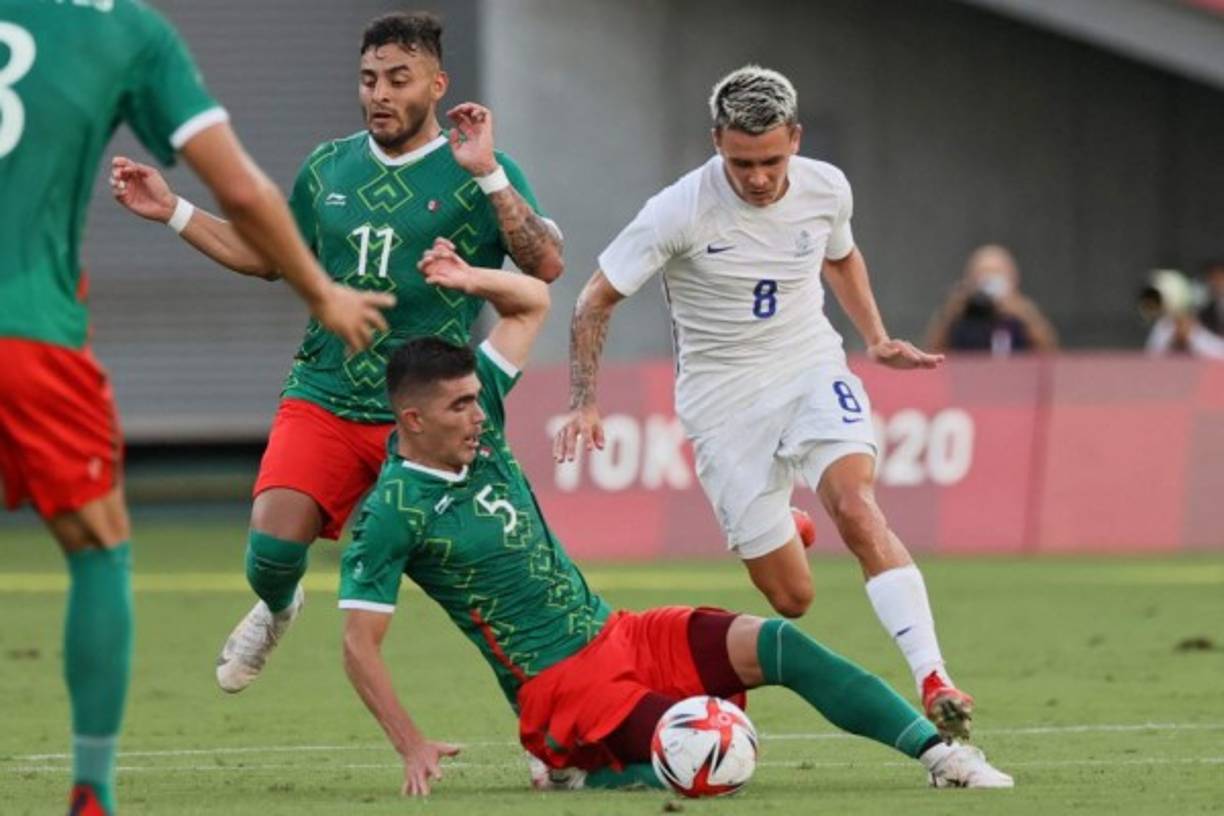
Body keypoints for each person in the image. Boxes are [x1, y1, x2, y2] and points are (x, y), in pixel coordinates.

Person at [338, 238, 1013, 797]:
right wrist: (411, 743)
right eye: (459, 408)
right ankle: (572, 767)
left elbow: (533, 300)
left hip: (619, 633)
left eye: (474, 401)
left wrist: (468, 277)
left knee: (780, 644)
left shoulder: (478, 420)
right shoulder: (393, 513)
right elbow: (358, 644)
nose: (479, 416)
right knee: (711, 758)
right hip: (560, 690)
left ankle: (943, 758)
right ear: (412, 420)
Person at [0, 2, 393, 813]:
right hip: (28, 333)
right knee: (98, 548)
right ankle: (91, 791)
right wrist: (323, 295)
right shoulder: (124, 31)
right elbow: (243, 188)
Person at [110, 11, 563, 695]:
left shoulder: (478, 171)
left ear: (436, 85)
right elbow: (271, 258)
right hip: (324, 394)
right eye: (369, 78)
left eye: (398, 79)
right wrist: (174, 208)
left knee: (484, 585)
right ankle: (280, 603)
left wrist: (493, 177)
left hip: (424, 418)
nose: (379, 93)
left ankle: (553, 722)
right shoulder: (329, 167)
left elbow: (546, 265)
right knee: (269, 553)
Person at [552, 66, 974, 739]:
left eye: (772, 160)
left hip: (807, 364)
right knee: (792, 598)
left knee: (859, 509)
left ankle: (933, 675)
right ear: (716, 141)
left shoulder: (826, 186)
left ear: (796, 140)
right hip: (722, 399)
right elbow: (594, 298)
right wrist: (583, 400)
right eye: (740, 161)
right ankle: (791, 527)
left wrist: (875, 336)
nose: (756, 177)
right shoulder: (678, 209)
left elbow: (839, 255)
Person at [926, 244, 1058, 355]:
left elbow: (1049, 352)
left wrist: (1021, 311)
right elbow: (934, 352)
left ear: (1013, 279)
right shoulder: (959, 317)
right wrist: (954, 308)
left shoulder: (1022, 318)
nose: (988, 281)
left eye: (996, 273)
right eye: (982, 274)